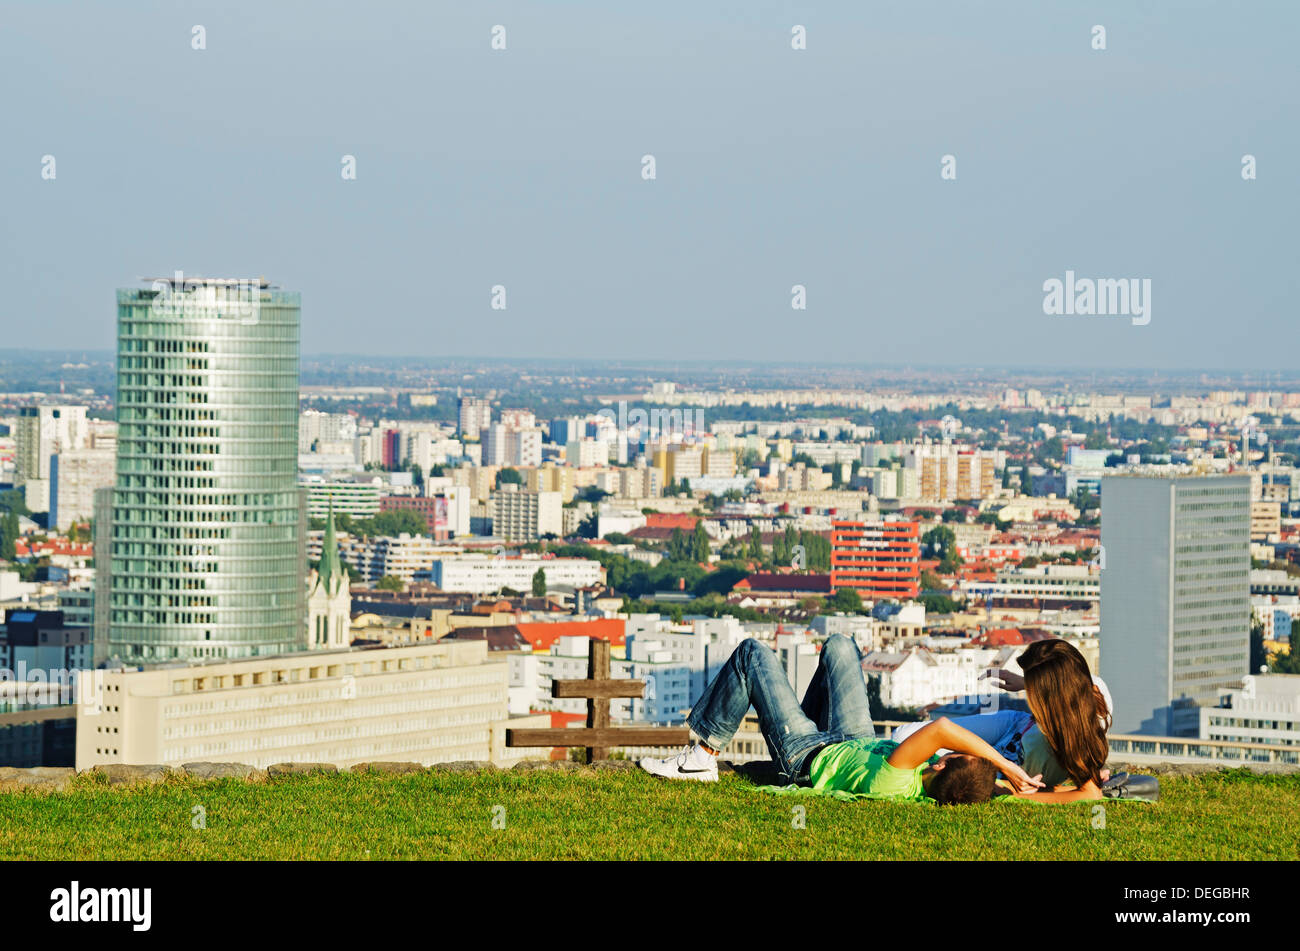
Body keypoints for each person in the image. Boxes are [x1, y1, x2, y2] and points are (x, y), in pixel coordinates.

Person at [640, 634, 1042, 805]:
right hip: (855, 739)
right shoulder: (933, 782)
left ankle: (701, 756)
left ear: (942, 761)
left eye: (955, 754)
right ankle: (799, 715)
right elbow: (980, 787)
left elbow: (941, 729)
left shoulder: (900, 773)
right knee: (840, 647)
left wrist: (1005, 764)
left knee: (752, 654)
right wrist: (1009, 782)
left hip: (806, 754)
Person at [892, 638, 1111, 801]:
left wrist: (1013, 796)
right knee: (902, 736)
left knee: (912, 747)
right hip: (1016, 725)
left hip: (1002, 771)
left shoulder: (1080, 734)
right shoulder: (1094, 690)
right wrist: (1026, 682)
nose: (1029, 695)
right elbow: (1071, 674)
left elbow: (1091, 795)